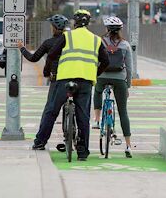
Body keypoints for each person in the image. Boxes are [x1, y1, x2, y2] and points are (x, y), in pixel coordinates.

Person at [32, 10, 109, 161]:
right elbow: (106, 61)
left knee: (52, 111)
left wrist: (47, 71)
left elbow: (52, 54)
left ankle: (40, 142)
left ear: (74, 22)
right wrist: (94, 73)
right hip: (86, 81)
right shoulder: (96, 39)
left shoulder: (67, 36)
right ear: (88, 23)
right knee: (83, 117)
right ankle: (82, 152)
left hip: (64, 79)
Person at [17, 14, 69, 141]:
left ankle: (40, 141)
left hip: (56, 79)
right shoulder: (71, 42)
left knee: (50, 110)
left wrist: (22, 48)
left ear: (54, 28)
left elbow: (33, 58)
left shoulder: (49, 43)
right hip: (73, 77)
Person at [93, 16, 134, 158]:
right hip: (119, 79)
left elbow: (95, 61)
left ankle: (97, 120)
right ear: (120, 30)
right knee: (123, 112)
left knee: (97, 90)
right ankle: (128, 146)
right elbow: (129, 68)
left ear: (107, 29)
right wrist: (127, 85)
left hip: (102, 76)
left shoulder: (99, 42)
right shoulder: (125, 45)